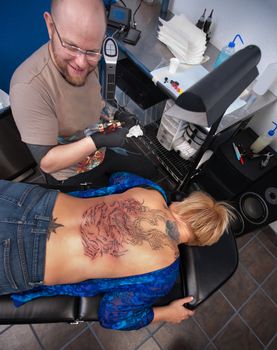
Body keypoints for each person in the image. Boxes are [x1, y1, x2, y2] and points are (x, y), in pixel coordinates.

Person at [0, 173, 233, 330]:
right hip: (23, 260)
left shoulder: (151, 191)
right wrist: (165, 314)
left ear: (184, 204)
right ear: (196, 242)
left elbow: (117, 176)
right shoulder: (162, 275)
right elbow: (113, 316)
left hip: (27, 200)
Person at [9, 0, 156, 187]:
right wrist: (96, 141)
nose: (81, 62)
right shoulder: (28, 87)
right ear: (51, 26)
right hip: (71, 173)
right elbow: (47, 163)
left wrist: (114, 113)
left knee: (150, 173)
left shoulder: (87, 60)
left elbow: (91, 99)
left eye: (92, 51)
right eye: (71, 46)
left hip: (100, 153)